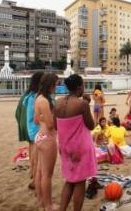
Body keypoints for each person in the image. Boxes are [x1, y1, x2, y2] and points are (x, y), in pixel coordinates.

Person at [54, 74, 96, 211]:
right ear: (79, 87)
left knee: (70, 180)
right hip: (80, 147)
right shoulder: (82, 104)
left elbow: (56, 126)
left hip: (65, 147)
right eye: (83, 85)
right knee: (80, 182)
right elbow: (91, 125)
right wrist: (87, 106)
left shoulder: (58, 103)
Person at [34, 73, 59, 211]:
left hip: (39, 136)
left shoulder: (38, 98)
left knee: (40, 172)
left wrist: (44, 116)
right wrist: (55, 115)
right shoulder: (44, 100)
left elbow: (36, 120)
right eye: (56, 84)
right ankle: (48, 205)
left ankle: (41, 200)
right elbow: (50, 125)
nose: (56, 86)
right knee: (47, 175)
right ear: (51, 85)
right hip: (47, 138)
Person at [15, 71, 44, 189]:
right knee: (36, 155)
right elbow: (35, 116)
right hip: (35, 130)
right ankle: (35, 180)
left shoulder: (27, 94)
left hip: (28, 128)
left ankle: (33, 174)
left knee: (32, 152)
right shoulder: (35, 96)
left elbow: (17, 113)